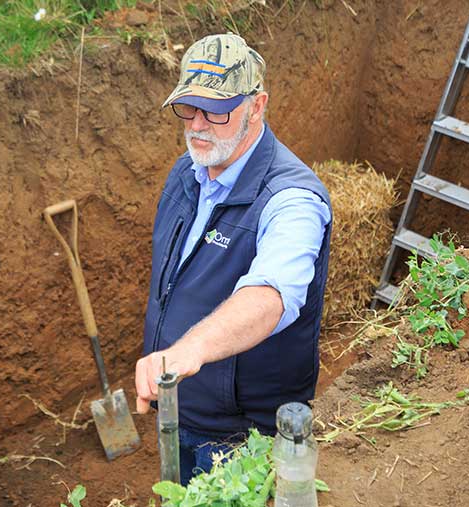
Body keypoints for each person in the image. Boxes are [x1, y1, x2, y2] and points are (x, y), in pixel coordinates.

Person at [135, 33, 333, 484]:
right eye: (188, 107)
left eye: (217, 110)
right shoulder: (188, 171)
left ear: (256, 106)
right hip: (180, 408)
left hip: (240, 438)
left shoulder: (292, 200)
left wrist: (188, 350)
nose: (198, 125)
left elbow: (271, 295)